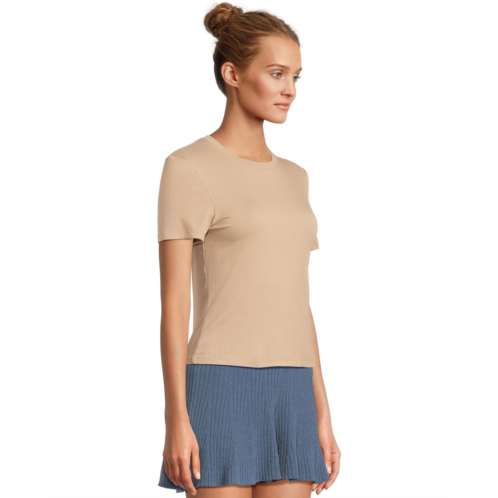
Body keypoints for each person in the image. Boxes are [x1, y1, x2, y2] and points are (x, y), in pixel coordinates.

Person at [157, 3, 341, 497]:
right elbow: (174, 304)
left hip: (293, 387)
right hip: (220, 382)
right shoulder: (188, 167)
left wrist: (322, 413)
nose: (290, 89)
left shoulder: (296, 178)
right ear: (233, 74)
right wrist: (176, 418)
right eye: (277, 73)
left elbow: (297, 301)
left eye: (296, 76)